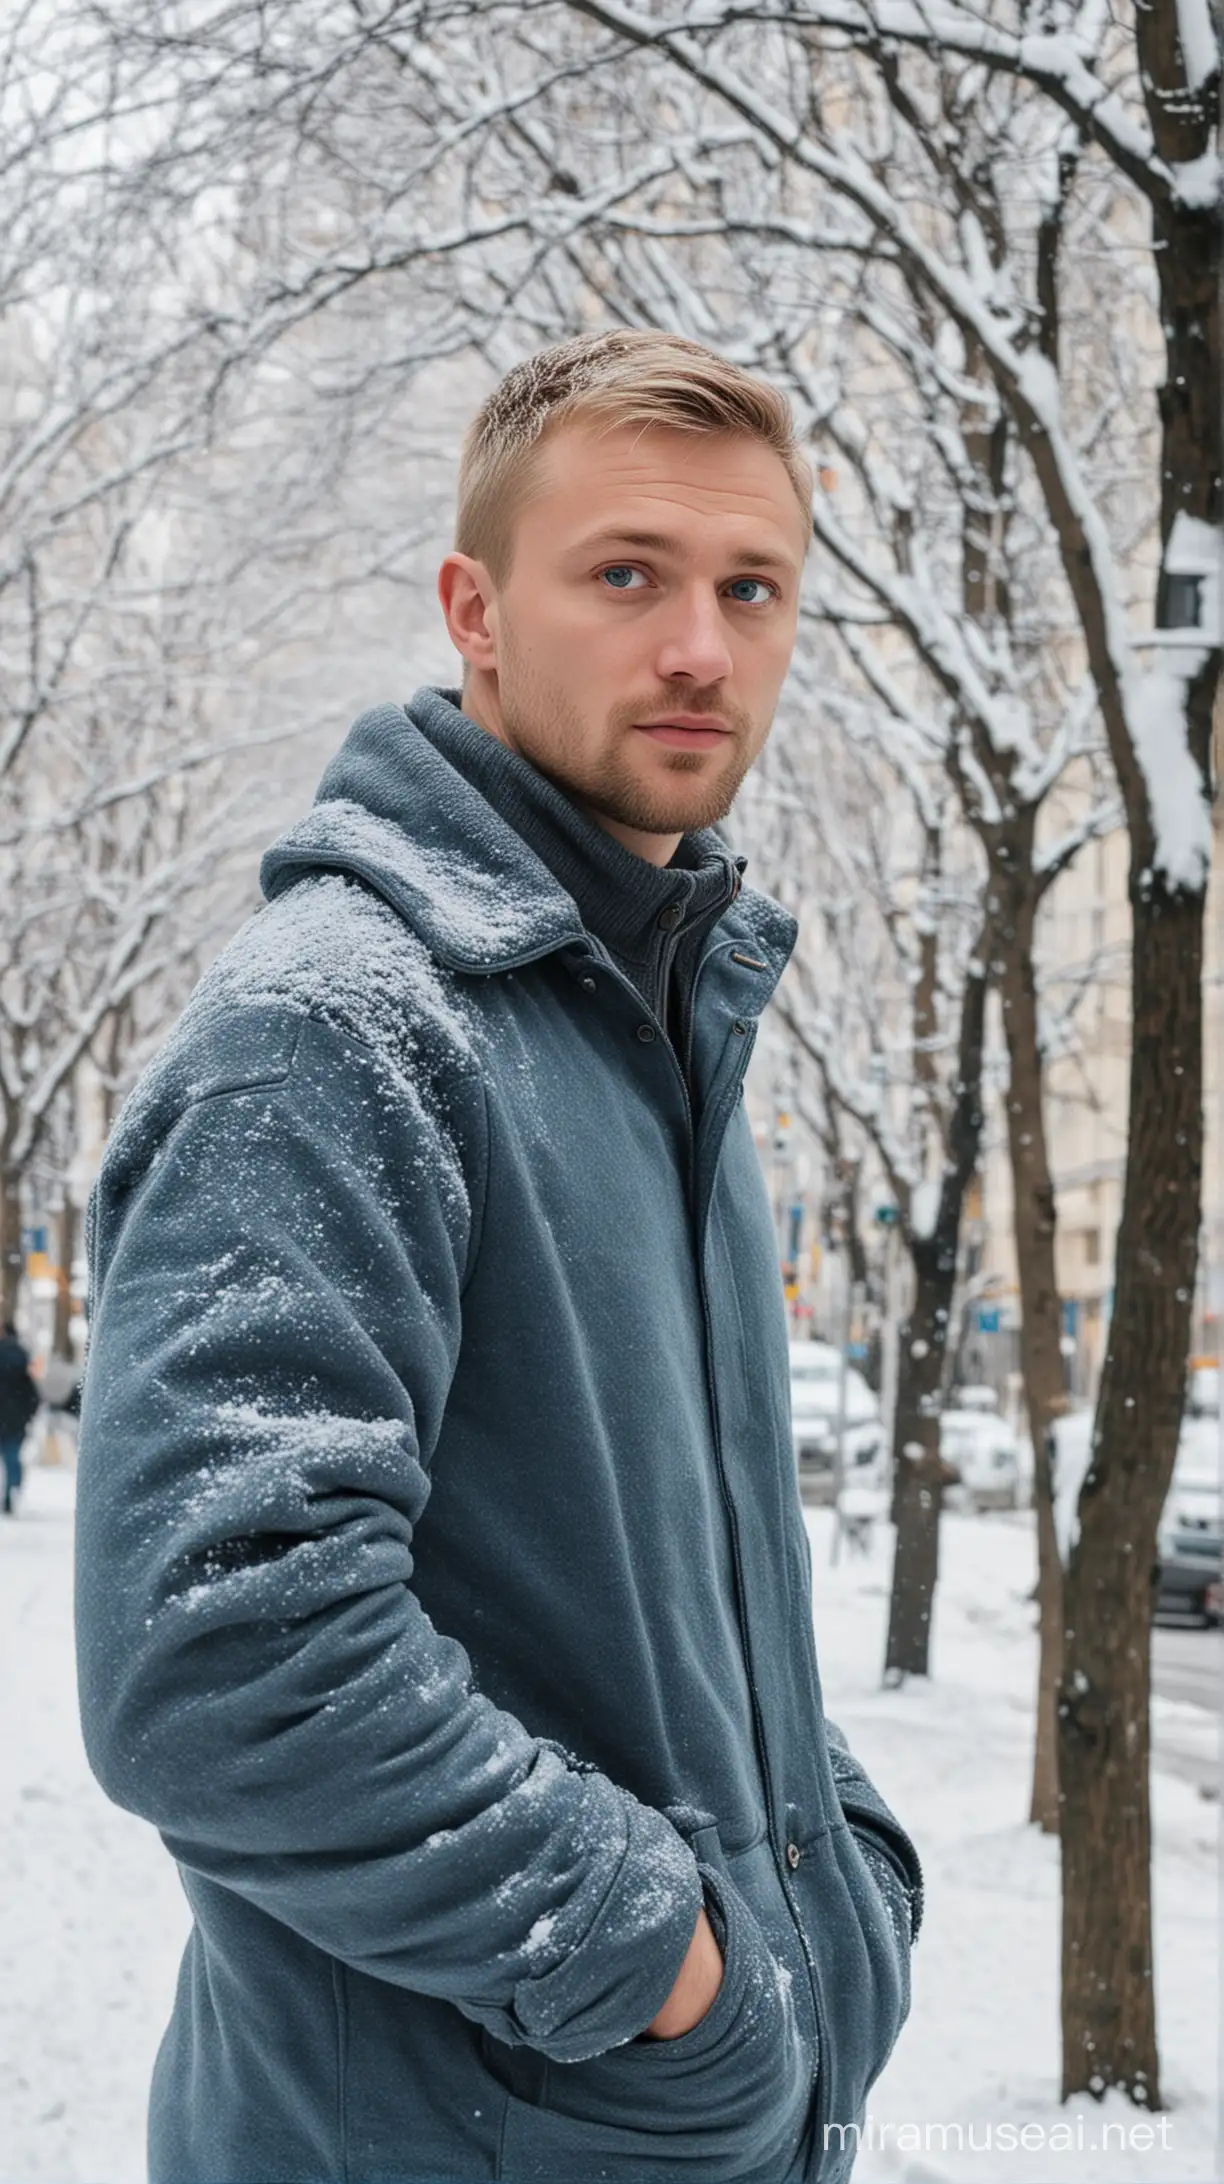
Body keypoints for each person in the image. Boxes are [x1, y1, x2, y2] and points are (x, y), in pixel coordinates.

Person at [75, 331, 922, 2184]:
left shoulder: (650, 1019)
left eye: (748, 586)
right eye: (624, 573)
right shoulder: (338, 1026)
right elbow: (223, 1662)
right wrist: (672, 1967)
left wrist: (830, 1873)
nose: (697, 643)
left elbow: (668, 1582)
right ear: (473, 606)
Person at [0, 1319, 40, 1515]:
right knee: (11, 1455)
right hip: (14, 1416)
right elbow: (30, 1391)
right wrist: (28, 1413)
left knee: (9, 1455)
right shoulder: (19, 1356)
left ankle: (9, 1492)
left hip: (10, 1414)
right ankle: (11, 1490)